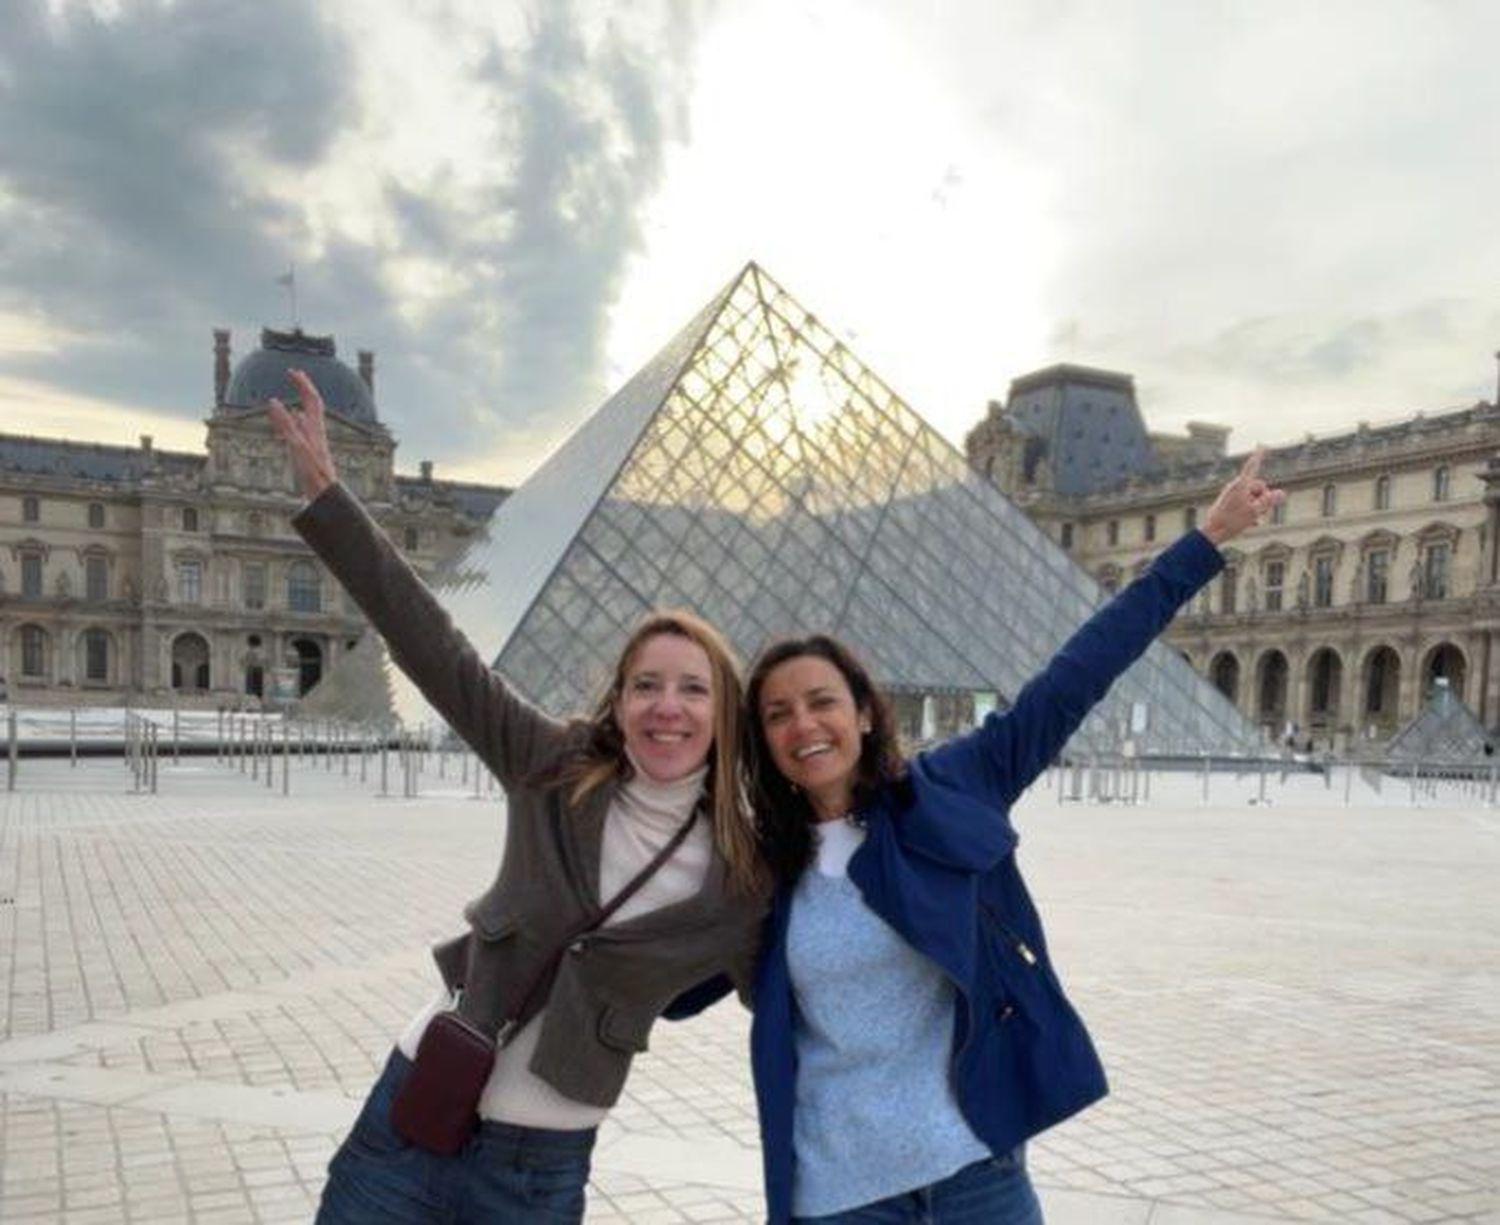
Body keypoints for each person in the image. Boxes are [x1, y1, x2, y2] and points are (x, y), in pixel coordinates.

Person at [269, 368, 767, 1224]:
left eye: (692, 688)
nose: (667, 706)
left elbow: (805, 995)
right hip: (414, 1109)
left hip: (537, 1169)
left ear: (725, 709)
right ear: (619, 698)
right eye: (646, 683)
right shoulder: (551, 763)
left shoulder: (748, 872)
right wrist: (331, 503)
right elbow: (436, 648)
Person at [741, 452, 1283, 1223]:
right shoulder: (750, 862)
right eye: (777, 712)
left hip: (977, 1173)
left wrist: (1205, 541)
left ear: (864, 711)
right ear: (760, 738)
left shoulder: (955, 784)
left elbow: (1075, 676)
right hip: (841, 1192)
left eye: (822, 700)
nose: (804, 724)